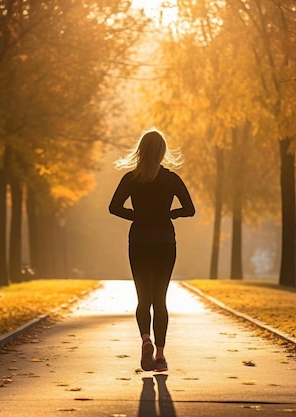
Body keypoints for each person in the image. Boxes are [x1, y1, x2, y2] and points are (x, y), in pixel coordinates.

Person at [109, 128, 195, 372]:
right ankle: (160, 355)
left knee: (143, 298)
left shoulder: (131, 179)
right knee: (160, 299)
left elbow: (114, 207)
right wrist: (169, 214)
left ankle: (145, 338)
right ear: (162, 152)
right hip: (165, 242)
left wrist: (136, 216)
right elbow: (189, 209)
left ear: (141, 150)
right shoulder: (171, 179)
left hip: (139, 241)